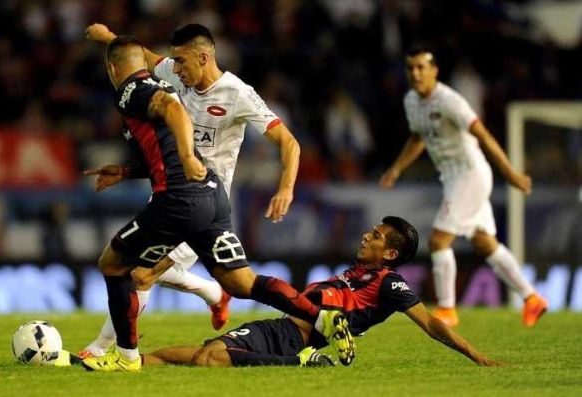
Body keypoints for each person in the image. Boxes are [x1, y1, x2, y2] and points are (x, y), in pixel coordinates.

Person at [82, 35, 350, 373]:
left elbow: (289, 142)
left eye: (181, 62)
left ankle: (112, 352)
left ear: (204, 57)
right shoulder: (175, 73)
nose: (174, 69)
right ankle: (320, 317)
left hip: (187, 198)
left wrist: (285, 189)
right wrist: (108, 37)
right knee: (241, 282)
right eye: (174, 62)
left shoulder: (236, 93)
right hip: (202, 196)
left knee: (135, 271)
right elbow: (144, 57)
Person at [142, 216, 499, 367]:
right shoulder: (360, 272)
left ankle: (300, 364)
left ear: (390, 254)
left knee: (210, 357)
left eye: (375, 236)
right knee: (200, 353)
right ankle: (135, 360)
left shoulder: (388, 282)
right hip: (283, 328)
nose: (365, 236)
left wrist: (475, 354)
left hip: (294, 337)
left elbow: (430, 323)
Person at [379, 46, 548, 328]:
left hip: (470, 174)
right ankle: (532, 299)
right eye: (411, 68)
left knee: (438, 240)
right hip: (452, 178)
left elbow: (484, 136)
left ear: (434, 71)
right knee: (484, 242)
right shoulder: (411, 100)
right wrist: (396, 168)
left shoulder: (450, 101)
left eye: (422, 67)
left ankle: (447, 309)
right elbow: (418, 138)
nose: (416, 73)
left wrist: (511, 174)